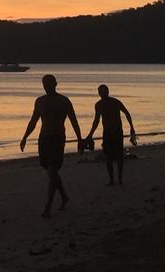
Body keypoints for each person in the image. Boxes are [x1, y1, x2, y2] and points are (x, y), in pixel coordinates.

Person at [20, 74, 82, 218]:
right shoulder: (39, 101)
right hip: (44, 139)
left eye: (49, 83)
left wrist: (80, 139)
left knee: (53, 171)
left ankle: (48, 206)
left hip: (58, 138)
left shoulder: (64, 101)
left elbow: (74, 121)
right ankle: (64, 196)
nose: (46, 86)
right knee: (50, 171)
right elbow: (33, 121)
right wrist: (25, 137)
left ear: (55, 84)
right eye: (44, 84)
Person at [86, 84, 136, 185]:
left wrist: (132, 128)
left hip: (116, 131)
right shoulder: (99, 105)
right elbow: (96, 120)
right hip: (108, 132)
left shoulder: (115, 102)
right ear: (99, 93)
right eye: (101, 92)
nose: (103, 93)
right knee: (109, 156)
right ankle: (113, 179)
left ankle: (119, 179)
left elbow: (127, 113)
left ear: (107, 92)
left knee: (118, 155)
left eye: (104, 91)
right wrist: (90, 134)